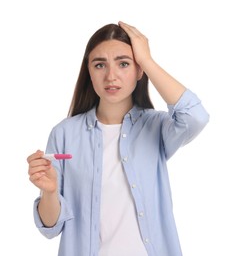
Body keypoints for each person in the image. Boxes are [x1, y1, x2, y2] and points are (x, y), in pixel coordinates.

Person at [27, 21, 209, 256]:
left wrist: (148, 61)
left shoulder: (156, 127)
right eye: (99, 65)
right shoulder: (64, 134)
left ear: (139, 70)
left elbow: (196, 117)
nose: (111, 76)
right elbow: (51, 228)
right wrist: (49, 192)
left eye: (124, 64)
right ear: (89, 72)